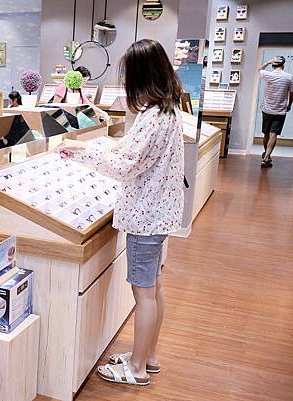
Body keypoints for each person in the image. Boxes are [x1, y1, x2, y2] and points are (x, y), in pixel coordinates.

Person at [57, 39, 184, 386]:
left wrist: (83, 154)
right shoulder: (166, 110)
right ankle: (148, 356)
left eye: (129, 73)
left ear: (143, 74)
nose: (126, 80)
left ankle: (137, 368)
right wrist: (89, 146)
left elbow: (126, 164)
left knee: (143, 294)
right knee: (153, 288)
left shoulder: (154, 117)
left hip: (146, 218)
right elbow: (131, 149)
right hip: (158, 215)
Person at [258, 56, 293, 167]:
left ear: (273, 65)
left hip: (267, 109)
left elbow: (259, 68)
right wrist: (289, 105)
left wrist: (268, 61)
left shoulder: (268, 75)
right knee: (273, 135)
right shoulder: (289, 77)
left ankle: (266, 155)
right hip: (280, 111)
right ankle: (267, 157)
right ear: (283, 65)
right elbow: (291, 93)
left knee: (266, 134)